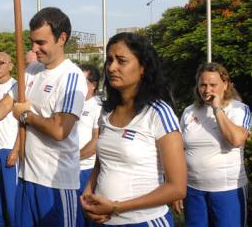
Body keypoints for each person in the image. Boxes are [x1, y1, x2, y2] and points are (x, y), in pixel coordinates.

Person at [0, 7, 87, 226]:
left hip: (55, 184)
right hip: (26, 178)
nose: (34, 48)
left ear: (62, 38)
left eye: (41, 42)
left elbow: (60, 130)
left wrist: (26, 116)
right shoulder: (31, 71)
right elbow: (6, 104)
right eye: (32, 42)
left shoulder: (71, 76)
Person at [81, 32, 186, 226]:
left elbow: (177, 188)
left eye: (121, 61)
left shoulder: (158, 113)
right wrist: (88, 191)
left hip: (145, 221)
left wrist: (116, 207)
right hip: (104, 221)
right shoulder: (107, 112)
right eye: (109, 60)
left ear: (142, 68)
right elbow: (101, 162)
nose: (111, 67)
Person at [173, 62, 251, 227]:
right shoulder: (189, 111)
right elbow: (179, 150)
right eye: (203, 85)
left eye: (213, 85)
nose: (207, 90)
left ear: (225, 84)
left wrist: (217, 109)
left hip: (227, 191)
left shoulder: (239, 109)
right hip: (193, 191)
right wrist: (177, 188)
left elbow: (236, 140)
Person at [0, 52, 19, 227]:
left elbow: (24, 124)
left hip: (9, 147)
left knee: (11, 194)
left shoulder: (16, 87)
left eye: (1, 63)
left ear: (11, 65)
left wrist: (16, 150)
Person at [76, 64, 101, 227]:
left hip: (87, 170)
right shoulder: (72, 103)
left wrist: (73, 157)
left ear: (93, 84)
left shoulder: (98, 106)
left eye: (82, 81)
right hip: (70, 169)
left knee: (89, 216)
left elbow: (96, 141)